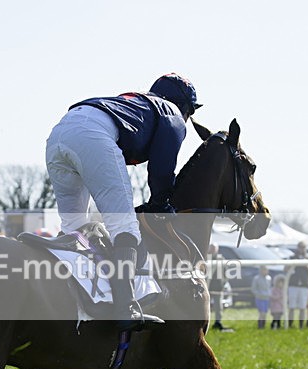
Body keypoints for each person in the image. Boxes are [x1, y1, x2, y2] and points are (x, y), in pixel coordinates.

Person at [46, 73, 201, 332]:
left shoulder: (138, 105)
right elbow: (162, 170)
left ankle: (76, 300)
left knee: (75, 227)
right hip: (92, 135)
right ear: (185, 107)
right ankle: (126, 305)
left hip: (59, 133)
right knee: (124, 227)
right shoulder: (172, 113)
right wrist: (161, 204)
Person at [206, 244, 232, 332]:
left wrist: (223, 282)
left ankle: (218, 322)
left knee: (218, 306)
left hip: (218, 287)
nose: (212, 250)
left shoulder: (221, 259)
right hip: (207, 288)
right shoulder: (206, 259)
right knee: (206, 306)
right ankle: (204, 323)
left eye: (214, 249)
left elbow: (226, 273)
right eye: (211, 248)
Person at [286, 241, 308, 328]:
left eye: (303, 247)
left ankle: (301, 326)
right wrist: (294, 262)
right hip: (293, 285)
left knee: (302, 307)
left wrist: (306, 265)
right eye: (300, 247)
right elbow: (285, 269)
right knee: (291, 306)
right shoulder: (292, 257)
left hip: (304, 285)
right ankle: (290, 324)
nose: (302, 249)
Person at [250, 265, 272, 329]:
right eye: (263, 270)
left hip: (266, 298)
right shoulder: (256, 278)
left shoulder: (269, 278)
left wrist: (269, 294)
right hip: (259, 298)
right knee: (261, 313)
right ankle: (260, 326)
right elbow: (253, 289)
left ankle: (263, 325)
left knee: (265, 313)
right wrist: (258, 294)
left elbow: (269, 287)